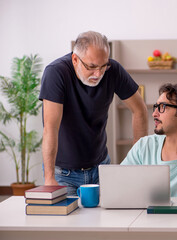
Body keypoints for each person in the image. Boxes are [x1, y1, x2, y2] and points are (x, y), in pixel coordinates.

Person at [39, 31, 148, 195]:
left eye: (103, 66)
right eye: (91, 67)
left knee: (107, 220)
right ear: (75, 59)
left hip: (100, 168)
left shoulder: (114, 70)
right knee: (68, 221)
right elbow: (50, 127)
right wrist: (49, 178)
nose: (98, 74)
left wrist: (138, 161)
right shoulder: (56, 73)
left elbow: (139, 109)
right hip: (63, 174)